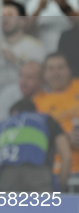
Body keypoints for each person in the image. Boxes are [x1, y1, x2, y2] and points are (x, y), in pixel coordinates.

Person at [0, 98, 71, 193]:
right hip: (38, 174)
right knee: (43, 207)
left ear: (13, 112)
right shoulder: (46, 120)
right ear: (35, 111)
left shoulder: (2, 125)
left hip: (7, 174)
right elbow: (66, 156)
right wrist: (61, 185)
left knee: (8, 207)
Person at [33, 53, 79, 182]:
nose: (56, 73)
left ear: (70, 70)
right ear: (44, 74)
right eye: (51, 69)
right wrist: (64, 138)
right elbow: (37, 136)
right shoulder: (37, 102)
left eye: (60, 68)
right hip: (57, 171)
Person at [0, 1, 45, 94]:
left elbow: (41, 76)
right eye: (3, 15)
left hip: (23, 96)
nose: (5, 19)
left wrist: (16, 61)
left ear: (22, 21)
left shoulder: (35, 47)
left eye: (10, 15)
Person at [0, 61, 44, 131]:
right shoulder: (8, 93)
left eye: (29, 77)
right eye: (21, 76)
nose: (23, 82)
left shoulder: (47, 96)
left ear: (41, 81)